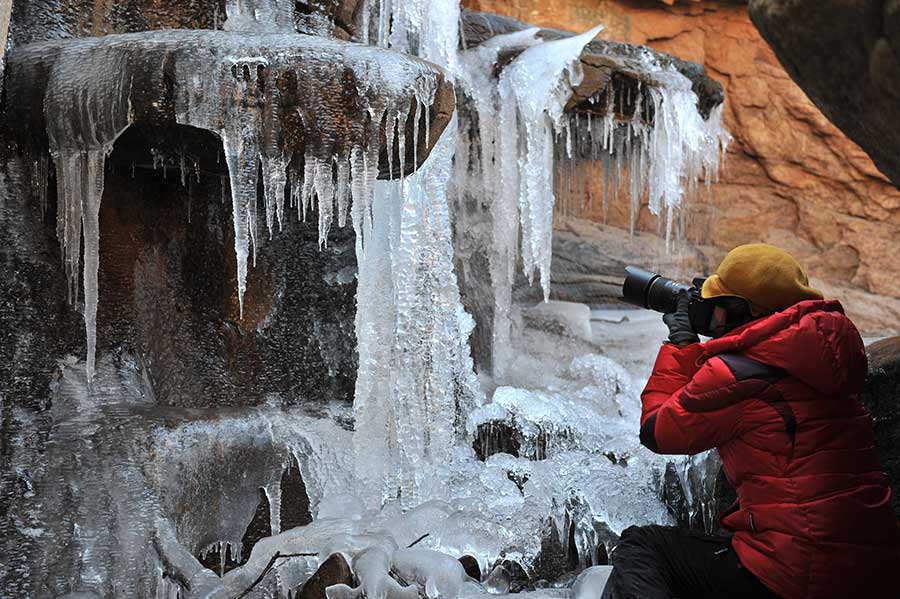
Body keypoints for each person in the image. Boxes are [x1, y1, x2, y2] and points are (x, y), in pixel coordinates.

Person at [601, 244, 900, 599]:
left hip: (800, 574)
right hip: (875, 567)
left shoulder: (736, 373)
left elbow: (657, 431)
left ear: (740, 310)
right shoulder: (831, 358)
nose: (712, 314)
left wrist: (681, 348)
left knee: (643, 544)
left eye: (719, 305)